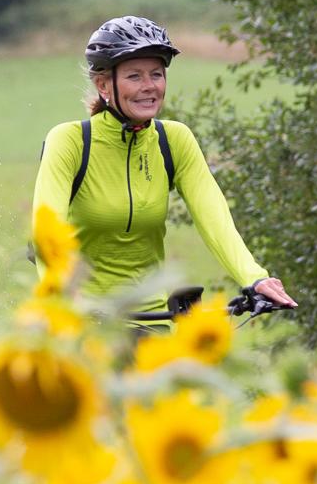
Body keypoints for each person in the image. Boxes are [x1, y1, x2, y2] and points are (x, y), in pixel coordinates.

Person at [33, 16, 296, 313]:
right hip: (81, 320)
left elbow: (214, 217)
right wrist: (67, 296)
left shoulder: (173, 140)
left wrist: (255, 278)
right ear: (104, 85)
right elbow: (46, 231)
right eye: (135, 76)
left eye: (156, 75)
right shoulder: (71, 141)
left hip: (151, 318)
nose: (149, 87)